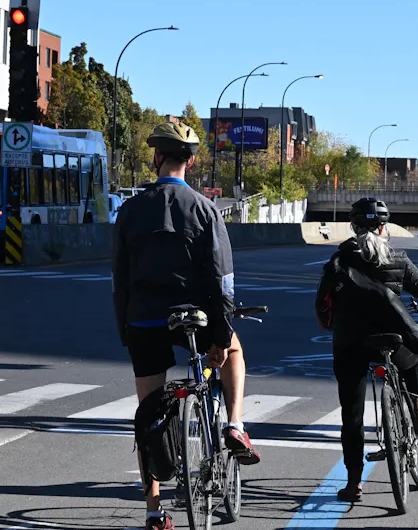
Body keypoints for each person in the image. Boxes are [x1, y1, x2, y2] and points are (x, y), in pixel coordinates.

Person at [112, 121, 260, 530]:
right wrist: (222, 334)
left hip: (143, 320)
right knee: (233, 353)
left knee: (148, 415)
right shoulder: (205, 209)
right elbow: (222, 278)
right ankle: (234, 424)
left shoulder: (129, 210)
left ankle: (154, 510)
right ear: (190, 162)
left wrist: (126, 330)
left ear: (156, 158)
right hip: (193, 318)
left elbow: (119, 278)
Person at [316, 197, 418, 503]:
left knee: (352, 416)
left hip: (349, 345)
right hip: (391, 341)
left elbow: (323, 305)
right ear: (384, 227)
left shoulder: (338, 262)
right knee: (414, 363)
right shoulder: (399, 259)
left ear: (354, 227)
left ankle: (353, 484)